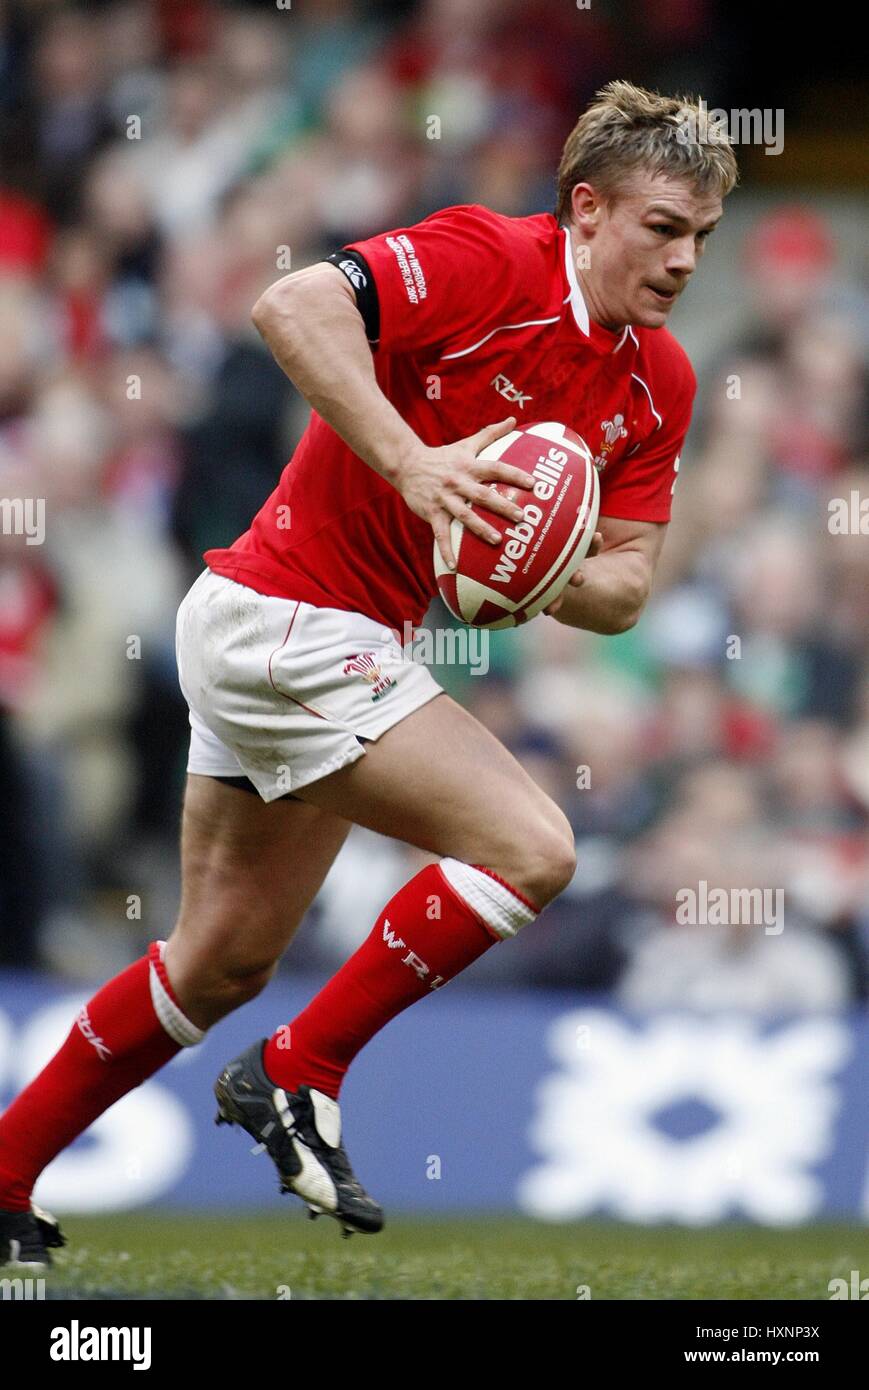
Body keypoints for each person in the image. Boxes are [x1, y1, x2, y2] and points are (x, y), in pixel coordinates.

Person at [0, 80, 736, 1261]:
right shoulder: (486, 257)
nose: (683, 259)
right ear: (585, 210)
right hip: (285, 616)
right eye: (661, 226)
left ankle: (4, 1171)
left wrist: (532, 563)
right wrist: (418, 467)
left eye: (702, 237)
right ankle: (302, 1068)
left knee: (221, 958)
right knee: (534, 847)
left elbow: (628, 581)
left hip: (320, 638)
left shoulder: (658, 382)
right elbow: (289, 306)